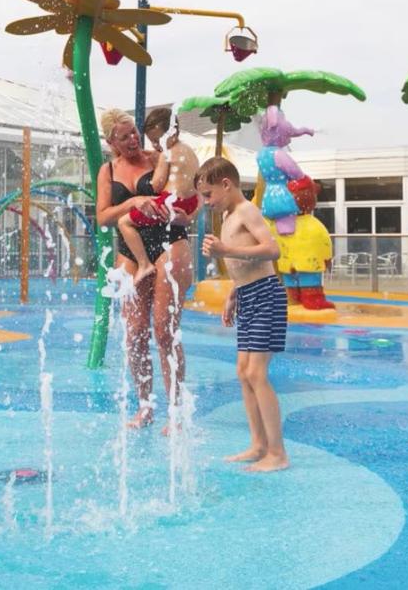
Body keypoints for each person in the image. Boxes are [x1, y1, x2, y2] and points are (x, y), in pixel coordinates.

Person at [96, 108, 196, 432]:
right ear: (111, 140)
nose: (133, 140)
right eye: (124, 136)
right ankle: (144, 407)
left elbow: (188, 190)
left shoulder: (158, 157)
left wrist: (188, 212)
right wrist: (134, 202)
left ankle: (176, 411)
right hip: (132, 247)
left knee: (164, 330)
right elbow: (103, 216)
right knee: (135, 334)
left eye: (134, 132)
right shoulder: (107, 171)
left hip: (169, 242)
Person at [197, 156, 289, 472]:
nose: (205, 202)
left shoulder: (247, 211)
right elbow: (245, 267)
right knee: (242, 371)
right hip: (248, 295)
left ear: (226, 184)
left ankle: (277, 453)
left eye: (208, 194)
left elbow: (271, 250)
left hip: (266, 295)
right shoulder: (227, 216)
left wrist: (227, 251)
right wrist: (233, 294)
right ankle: (258, 444)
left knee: (256, 373)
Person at [117, 108, 200, 284]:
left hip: (170, 203)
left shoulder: (166, 154)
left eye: (156, 140)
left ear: (172, 133)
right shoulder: (189, 150)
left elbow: (157, 185)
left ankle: (144, 264)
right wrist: (191, 215)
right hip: (189, 202)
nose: (155, 145)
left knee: (123, 222)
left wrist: (156, 164)